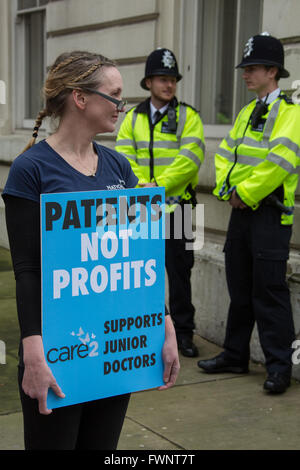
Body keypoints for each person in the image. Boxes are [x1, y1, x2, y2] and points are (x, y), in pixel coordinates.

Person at [2, 51, 180, 450]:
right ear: (80, 98)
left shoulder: (118, 168)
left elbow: (141, 260)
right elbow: (28, 268)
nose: (123, 104)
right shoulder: (30, 170)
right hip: (58, 354)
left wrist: (163, 325)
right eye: (115, 95)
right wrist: (33, 352)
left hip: (113, 354)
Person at [198, 33, 300, 394]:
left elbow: (280, 162)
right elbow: (225, 154)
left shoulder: (291, 113)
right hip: (241, 213)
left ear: (273, 71)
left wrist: (244, 192)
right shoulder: (244, 113)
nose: (244, 74)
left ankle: (279, 367)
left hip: (270, 216)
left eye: (252, 68)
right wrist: (227, 190)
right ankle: (235, 354)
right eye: (245, 68)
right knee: (239, 287)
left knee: (269, 291)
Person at [116, 48, 205, 358]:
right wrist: (144, 187)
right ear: (148, 82)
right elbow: (124, 156)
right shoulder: (132, 118)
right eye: (163, 79)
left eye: (173, 80)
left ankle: (184, 333)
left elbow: (191, 159)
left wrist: (159, 185)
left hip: (180, 208)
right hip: (142, 209)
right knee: (141, 271)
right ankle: (146, 329)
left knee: (181, 272)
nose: (169, 85)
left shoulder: (189, 116)